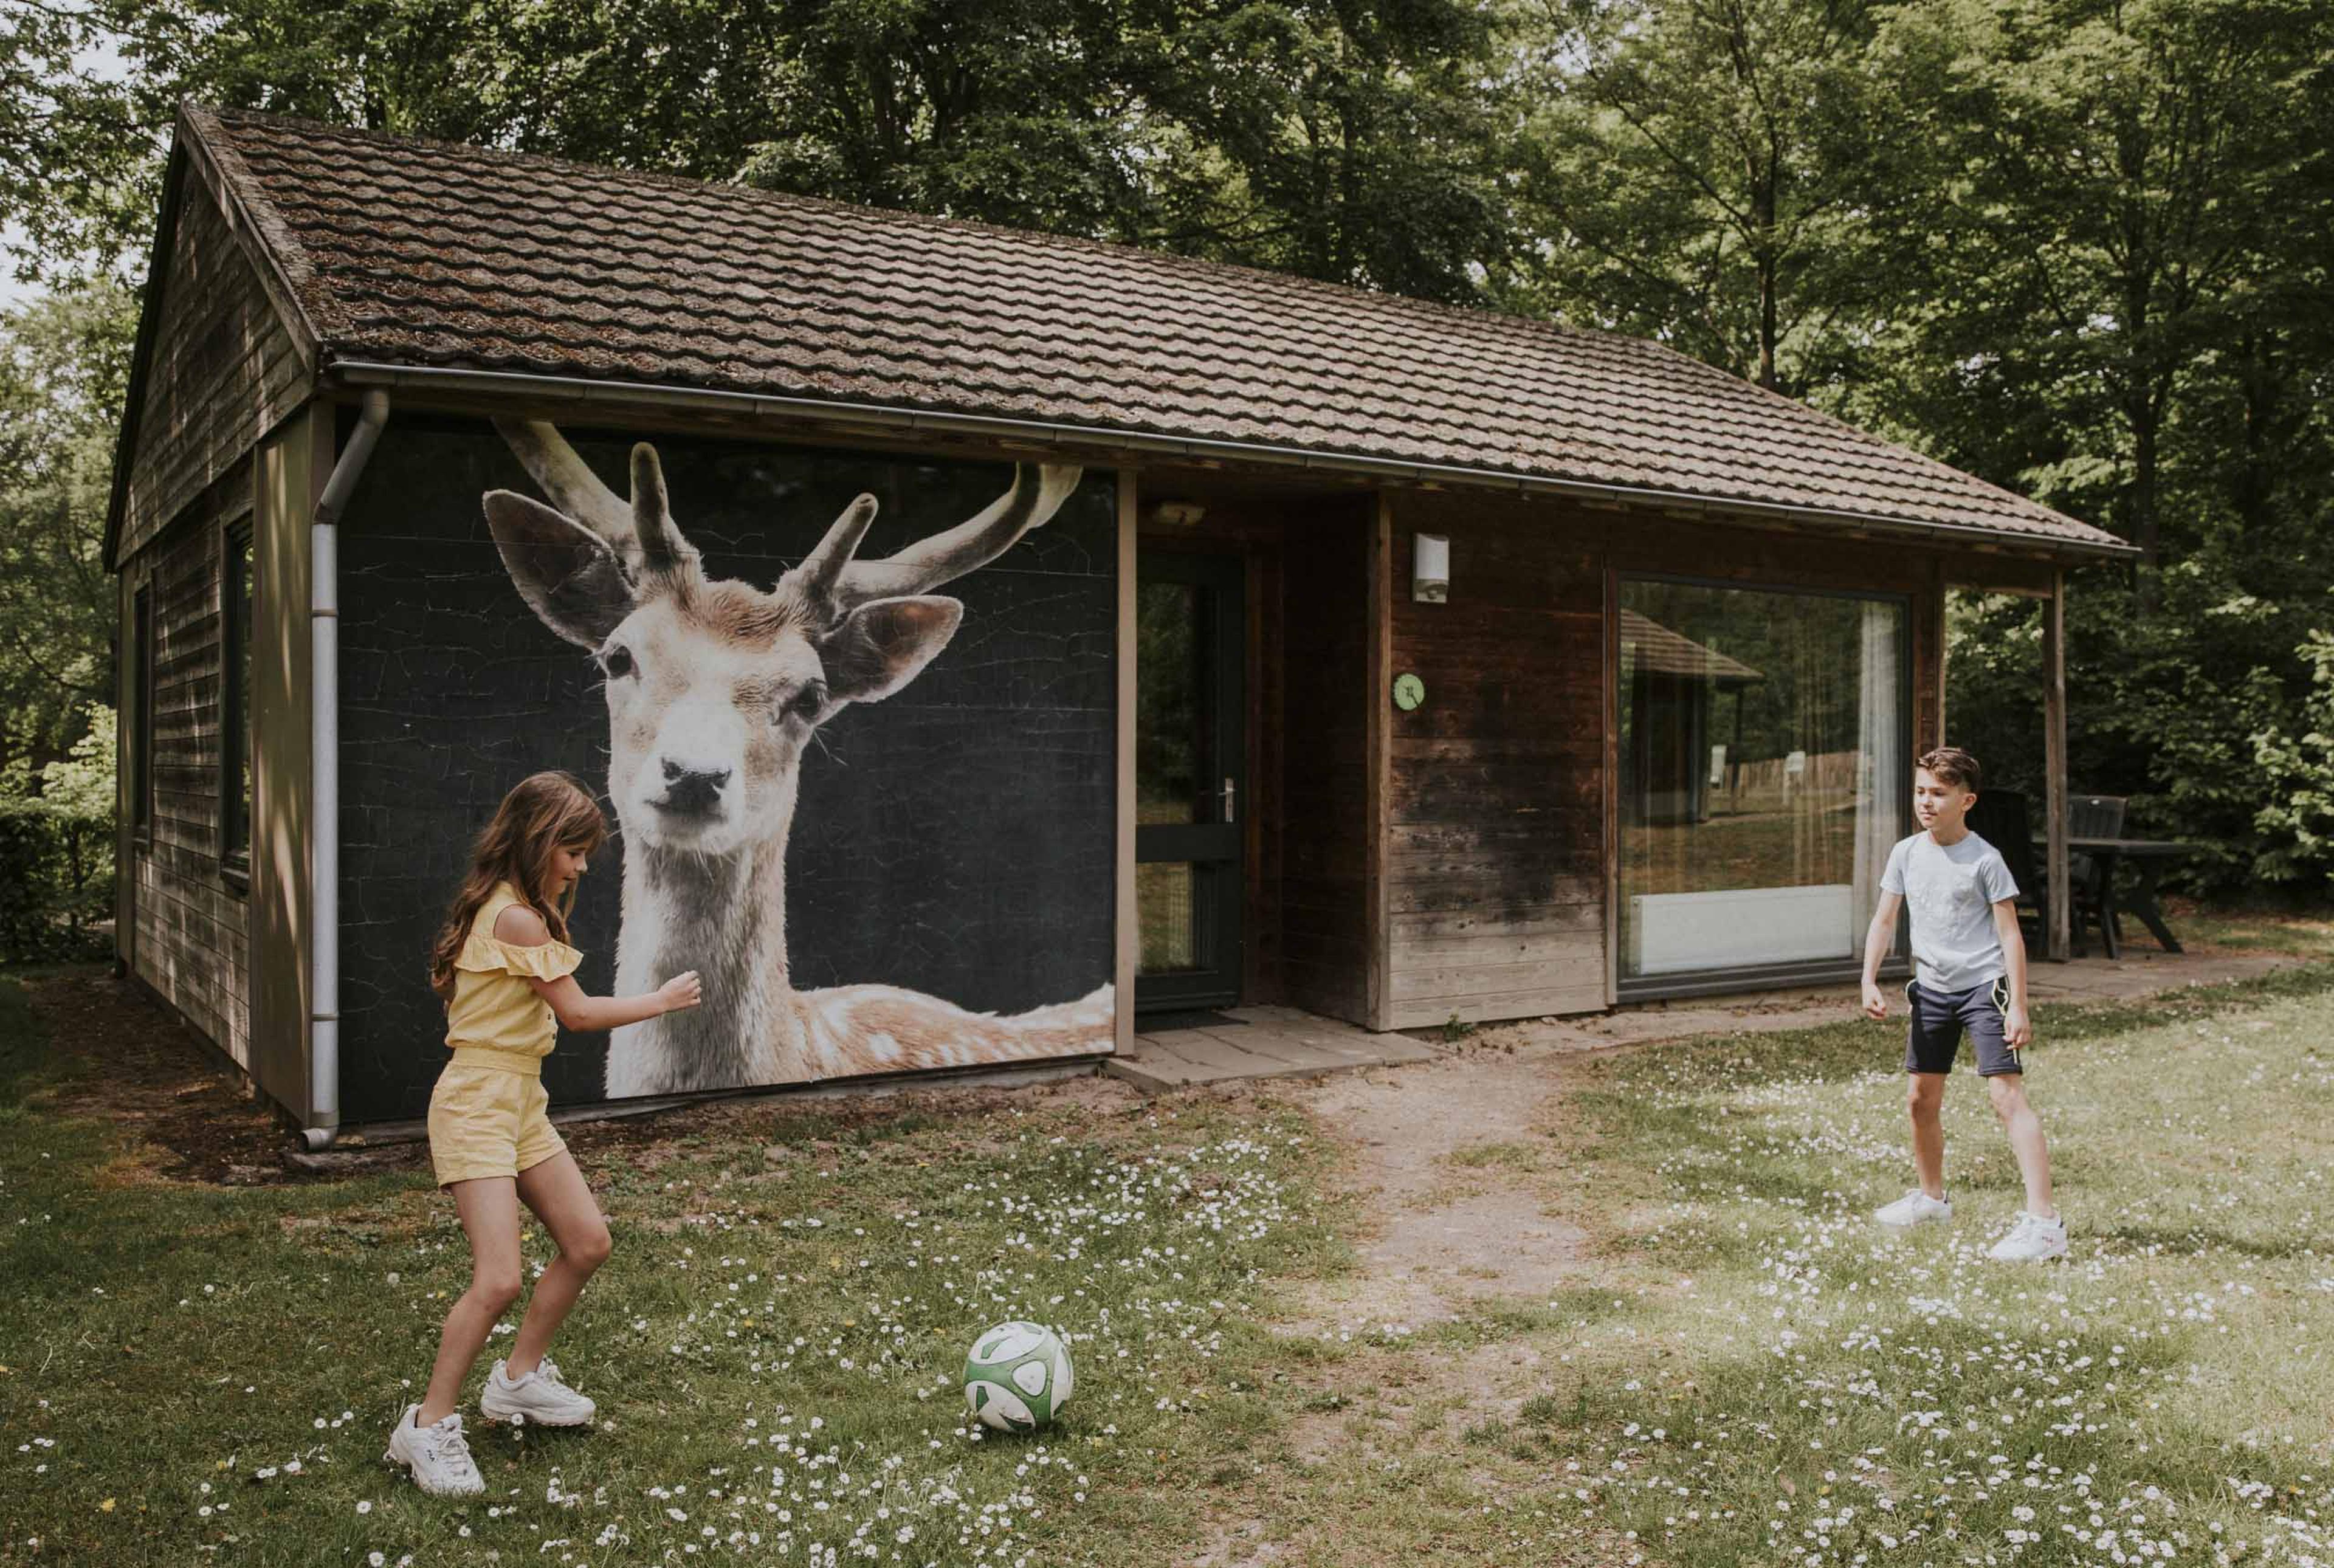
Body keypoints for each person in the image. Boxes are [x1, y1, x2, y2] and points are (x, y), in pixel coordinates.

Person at [386, 771, 702, 1495]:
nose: (582, 866)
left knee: (588, 1242)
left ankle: (518, 1379)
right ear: (538, 841)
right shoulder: (515, 919)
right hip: (476, 1102)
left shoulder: (516, 910)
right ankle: (426, 1428)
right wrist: (661, 999)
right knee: (497, 1277)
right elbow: (580, 1015)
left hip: (519, 1099)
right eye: (574, 851)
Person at [1859, 746, 2067, 1262]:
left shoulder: (1985, 860)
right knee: (1919, 1100)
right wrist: (1868, 979)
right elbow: (1885, 920)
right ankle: (1932, 1200)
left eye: (1938, 794)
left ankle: (2045, 1225)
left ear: (1966, 800)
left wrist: (2018, 1004)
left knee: (2006, 1098)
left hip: (1982, 989)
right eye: (1920, 792)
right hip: (1931, 989)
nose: (1926, 803)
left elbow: (2010, 935)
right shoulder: (1905, 853)